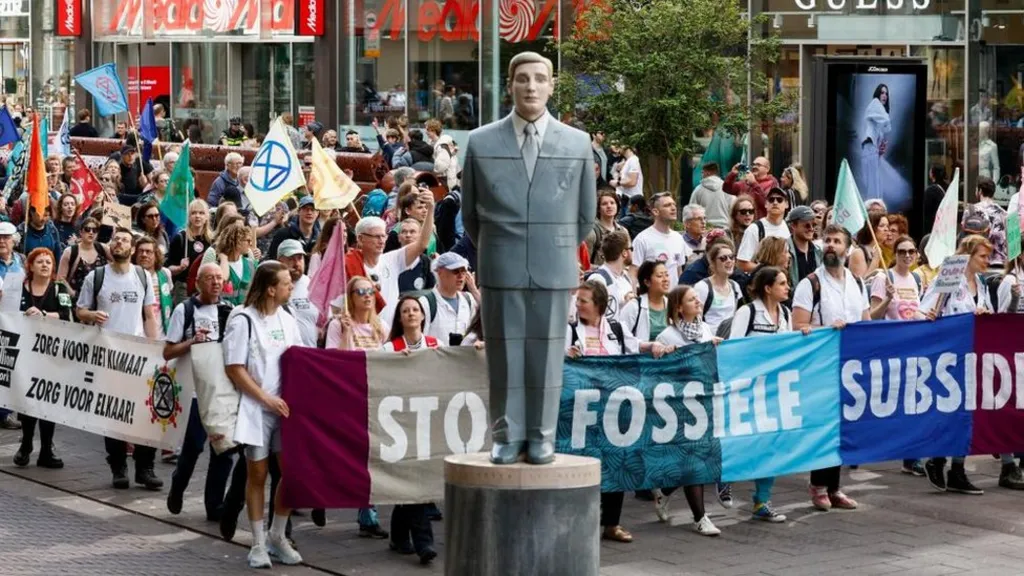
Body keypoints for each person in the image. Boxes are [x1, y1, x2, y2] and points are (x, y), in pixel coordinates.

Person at [461, 51, 596, 465]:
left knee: (548, 357)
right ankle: (506, 435)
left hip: (554, 265)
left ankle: (542, 436)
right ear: (510, 85)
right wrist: (501, 246)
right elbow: (471, 215)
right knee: (504, 356)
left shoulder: (577, 143)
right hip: (500, 264)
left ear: (552, 86)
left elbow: (585, 215)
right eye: (523, 78)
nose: (531, 86)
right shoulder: (481, 142)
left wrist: (552, 245)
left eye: (540, 78)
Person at [222, 261, 304, 568]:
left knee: (292, 473)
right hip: (256, 409)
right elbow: (234, 368)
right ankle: (257, 543)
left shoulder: (288, 319)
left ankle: (277, 536)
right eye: (285, 283)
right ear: (271, 289)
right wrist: (265, 398)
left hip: (285, 410)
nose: (291, 286)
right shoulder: (243, 319)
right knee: (257, 474)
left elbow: (300, 359)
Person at [75, 228, 162, 490]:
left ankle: (145, 467)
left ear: (132, 249)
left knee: (145, 412)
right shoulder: (97, 276)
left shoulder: (142, 276)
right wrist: (92, 316)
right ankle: (118, 466)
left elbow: (149, 315)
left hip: (138, 356)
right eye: (116, 239)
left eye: (125, 240)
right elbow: (80, 310)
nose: (119, 243)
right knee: (113, 412)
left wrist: (155, 349)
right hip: (109, 355)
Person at [792, 224, 868, 511]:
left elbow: (865, 321)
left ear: (848, 249)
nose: (831, 245)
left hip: (851, 364)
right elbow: (798, 326)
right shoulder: (810, 284)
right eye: (827, 240)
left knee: (843, 426)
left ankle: (835, 487)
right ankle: (818, 485)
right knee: (824, 425)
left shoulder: (857, 282)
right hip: (821, 365)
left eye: (837, 241)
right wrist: (827, 329)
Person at [918, 235, 995, 495]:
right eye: (982, 256)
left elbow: (988, 312)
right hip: (950, 357)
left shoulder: (981, 284)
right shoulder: (949, 278)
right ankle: (937, 458)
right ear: (968, 256)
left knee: (967, 413)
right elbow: (926, 309)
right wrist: (931, 314)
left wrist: (984, 315)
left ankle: (958, 469)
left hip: (973, 355)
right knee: (950, 410)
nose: (987, 261)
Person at [566, 280, 639, 543]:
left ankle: (612, 523)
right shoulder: (569, 330)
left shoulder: (616, 329)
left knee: (615, 461)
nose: (578, 305)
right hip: (580, 410)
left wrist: (655, 347)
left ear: (598, 305)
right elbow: (554, 357)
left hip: (613, 407)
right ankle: (579, 522)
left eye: (583, 301)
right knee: (581, 462)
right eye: (577, 300)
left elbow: (635, 350)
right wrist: (566, 353)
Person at [163, 263, 237, 520]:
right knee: (194, 447)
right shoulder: (184, 310)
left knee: (223, 450)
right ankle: (178, 486)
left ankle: (214, 506)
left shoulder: (229, 311)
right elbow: (168, 351)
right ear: (198, 282)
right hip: (194, 392)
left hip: (221, 392)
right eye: (209, 278)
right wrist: (192, 342)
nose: (216, 283)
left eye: (219, 278)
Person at [728, 266, 801, 522]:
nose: (787, 287)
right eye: (782, 283)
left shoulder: (786, 313)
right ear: (768, 288)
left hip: (774, 391)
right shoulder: (747, 312)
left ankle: (762, 500)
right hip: (747, 390)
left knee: (772, 444)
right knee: (743, 441)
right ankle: (723, 477)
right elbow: (733, 348)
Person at [651, 284, 722, 537]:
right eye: (692, 299)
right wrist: (664, 354)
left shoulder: (705, 330)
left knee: (693, 460)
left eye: (697, 298)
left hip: (704, 404)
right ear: (679, 308)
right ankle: (700, 517)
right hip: (679, 408)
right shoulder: (667, 336)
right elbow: (657, 373)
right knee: (693, 460)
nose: (698, 302)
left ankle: (664, 492)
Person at [381, 295, 438, 565]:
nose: (411, 314)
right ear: (400, 318)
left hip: (428, 422)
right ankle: (424, 542)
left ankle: (398, 535)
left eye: (415, 309)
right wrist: (394, 364)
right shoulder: (389, 348)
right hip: (400, 425)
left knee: (414, 481)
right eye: (406, 311)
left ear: (423, 316)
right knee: (414, 481)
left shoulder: (436, 345)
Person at [14, 248, 73, 469]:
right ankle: (26, 444)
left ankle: (47, 449)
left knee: (48, 400)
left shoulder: (59, 288)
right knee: (26, 400)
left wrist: (45, 315)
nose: (45, 265)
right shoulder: (19, 288)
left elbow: (67, 315)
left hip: (51, 354)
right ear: (30, 266)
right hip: (25, 353)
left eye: (49, 262)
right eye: (40, 262)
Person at [345, 199, 434, 328]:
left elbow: (422, 244)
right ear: (360, 238)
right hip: (362, 333)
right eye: (376, 236)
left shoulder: (392, 259)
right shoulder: (349, 264)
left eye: (383, 236)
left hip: (389, 333)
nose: (381, 241)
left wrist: (430, 210)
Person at [418, 252, 479, 346]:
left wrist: (474, 290)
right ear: (440, 272)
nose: (461, 276)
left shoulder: (469, 300)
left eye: (463, 271)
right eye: (455, 271)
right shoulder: (425, 303)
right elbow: (419, 340)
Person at [632, 192, 690, 288]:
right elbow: (633, 272)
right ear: (655, 212)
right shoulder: (642, 239)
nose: (673, 208)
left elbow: (679, 271)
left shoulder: (678, 238)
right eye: (667, 205)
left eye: (674, 205)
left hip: (673, 295)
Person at [618, 260, 672, 356]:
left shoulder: (671, 305)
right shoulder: (634, 306)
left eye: (667, 275)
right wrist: (645, 346)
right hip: (642, 361)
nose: (665, 279)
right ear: (647, 282)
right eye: (660, 276)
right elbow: (621, 335)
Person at [166, 199, 214, 303]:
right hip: (184, 289)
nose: (197, 216)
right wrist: (179, 268)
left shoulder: (212, 240)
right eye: (194, 213)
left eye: (201, 213)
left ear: (207, 216)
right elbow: (168, 268)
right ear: (189, 216)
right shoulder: (180, 238)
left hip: (206, 288)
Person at [276, 239, 320, 347]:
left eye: (300, 258)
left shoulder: (313, 285)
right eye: (291, 259)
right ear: (280, 261)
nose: (296, 264)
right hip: (283, 353)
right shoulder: (272, 286)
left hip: (309, 352)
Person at [736, 186, 790, 274]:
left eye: (779, 200)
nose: (775, 202)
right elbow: (741, 264)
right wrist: (769, 271)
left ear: (787, 204)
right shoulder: (754, 229)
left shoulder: (788, 228)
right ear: (766, 204)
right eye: (771, 200)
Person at [694, 241, 742, 333]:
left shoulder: (735, 286)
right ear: (713, 262)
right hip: (710, 337)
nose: (729, 261)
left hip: (730, 337)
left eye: (732, 257)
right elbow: (696, 321)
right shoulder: (702, 287)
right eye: (723, 258)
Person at [202, 223, 256, 306]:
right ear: (237, 242)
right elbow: (223, 279)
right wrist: (224, 259)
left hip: (245, 311)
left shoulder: (251, 263)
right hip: (223, 310)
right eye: (248, 240)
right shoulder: (217, 265)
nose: (251, 244)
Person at [585, 230, 635, 319]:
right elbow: (589, 315)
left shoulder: (626, 278)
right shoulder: (598, 279)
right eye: (631, 248)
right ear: (624, 253)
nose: (633, 252)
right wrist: (623, 305)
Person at [57, 217, 110, 299]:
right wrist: (73, 294)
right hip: (77, 300)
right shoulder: (70, 251)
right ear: (81, 232)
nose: (91, 232)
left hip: (101, 299)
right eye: (87, 229)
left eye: (94, 230)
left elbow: (119, 261)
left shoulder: (103, 248)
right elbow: (60, 279)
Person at [133, 236, 174, 336]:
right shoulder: (129, 275)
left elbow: (170, 299)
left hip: (162, 334)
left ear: (156, 255)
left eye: (148, 252)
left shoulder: (165, 274)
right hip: (136, 335)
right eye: (141, 251)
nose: (144, 255)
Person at [859, 84, 892, 203]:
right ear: (877, 94)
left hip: (872, 152)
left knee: (874, 187)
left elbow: (885, 129)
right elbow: (887, 122)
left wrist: (880, 149)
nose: (885, 96)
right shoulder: (875, 103)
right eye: (882, 93)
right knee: (872, 189)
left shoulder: (877, 114)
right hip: (869, 150)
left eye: (886, 93)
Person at [268, 196, 321, 264]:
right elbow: (273, 260)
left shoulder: (321, 238)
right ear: (298, 211)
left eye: (313, 209)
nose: (309, 212)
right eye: (305, 209)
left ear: (318, 213)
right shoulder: (283, 234)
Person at [585, 190, 627, 266]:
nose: (609, 206)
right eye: (604, 204)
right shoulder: (592, 233)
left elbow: (628, 260)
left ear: (617, 206)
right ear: (598, 208)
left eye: (612, 203)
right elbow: (584, 264)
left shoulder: (623, 231)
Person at [786, 206, 822, 290]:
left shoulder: (819, 252)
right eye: (807, 225)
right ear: (793, 225)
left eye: (813, 225)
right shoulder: (784, 250)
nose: (811, 229)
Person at [849, 212, 890, 280]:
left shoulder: (884, 250)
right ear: (872, 227)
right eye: (881, 226)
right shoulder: (858, 253)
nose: (886, 229)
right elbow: (862, 283)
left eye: (887, 226)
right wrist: (875, 259)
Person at [690, 162, 733, 229]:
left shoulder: (698, 190)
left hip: (705, 228)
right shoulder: (727, 188)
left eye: (702, 172)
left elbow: (692, 211)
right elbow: (733, 208)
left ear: (708, 173)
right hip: (725, 228)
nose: (701, 175)